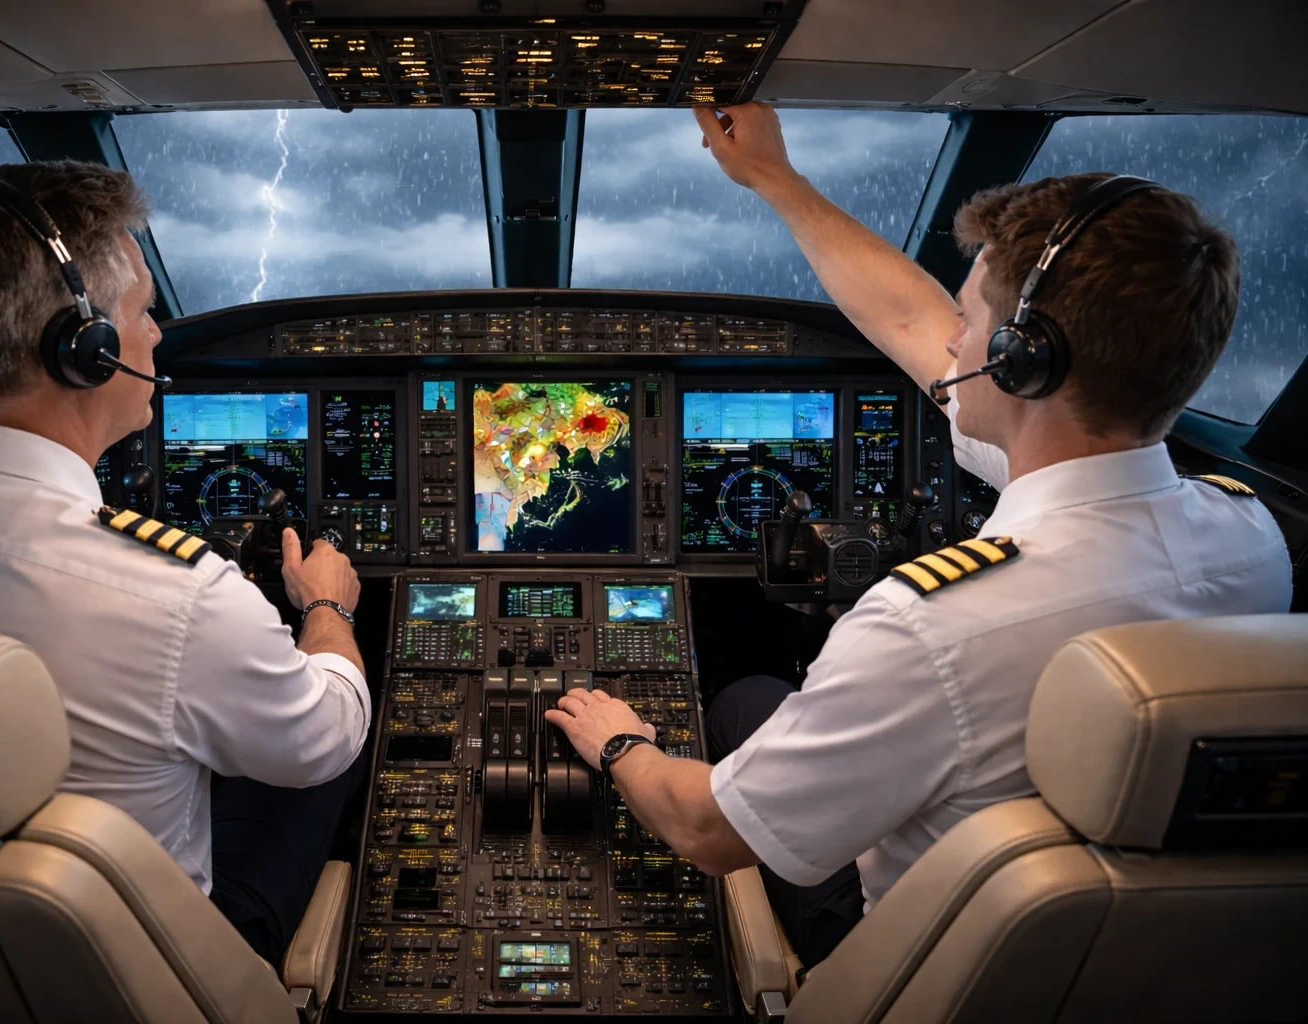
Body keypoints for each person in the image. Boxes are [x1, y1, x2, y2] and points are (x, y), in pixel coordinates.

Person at [545, 103, 1293, 968]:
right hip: (1125, 954)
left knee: (739, 705)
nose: (953, 341)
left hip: (913, 957)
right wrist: (774, 179)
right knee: (754, 697)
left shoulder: (928, 628)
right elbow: (909, 324)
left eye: (969, 322)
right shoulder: (1251, 538)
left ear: (1022, 363)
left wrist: (622, 742)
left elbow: (706, 831)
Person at [0, 161, 368, 966]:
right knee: (328, 728)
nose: (157, 335)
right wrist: (328, 609)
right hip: (130, 975)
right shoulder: (180, 597)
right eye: (142, 312)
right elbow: (322, 740)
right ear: (86, 350)